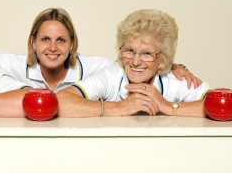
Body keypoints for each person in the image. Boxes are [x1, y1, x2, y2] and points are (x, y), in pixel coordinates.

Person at [0, 8, 200, 94]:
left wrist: (175, 67)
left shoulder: (94, 68)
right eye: (45, 40)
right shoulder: (13, 65)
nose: (52, 48)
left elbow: (135, 60)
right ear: (33, 42)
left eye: (61, 40)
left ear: (73, 44)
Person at [56, 9, 211, 118]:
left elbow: (222, 106)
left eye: (147, 53)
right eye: (129, 50)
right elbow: (60, 101)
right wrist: (118, 107)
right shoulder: (113, 75)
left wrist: (167, 107)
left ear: (162, 61)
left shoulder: (175, 80)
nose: (136, 62)